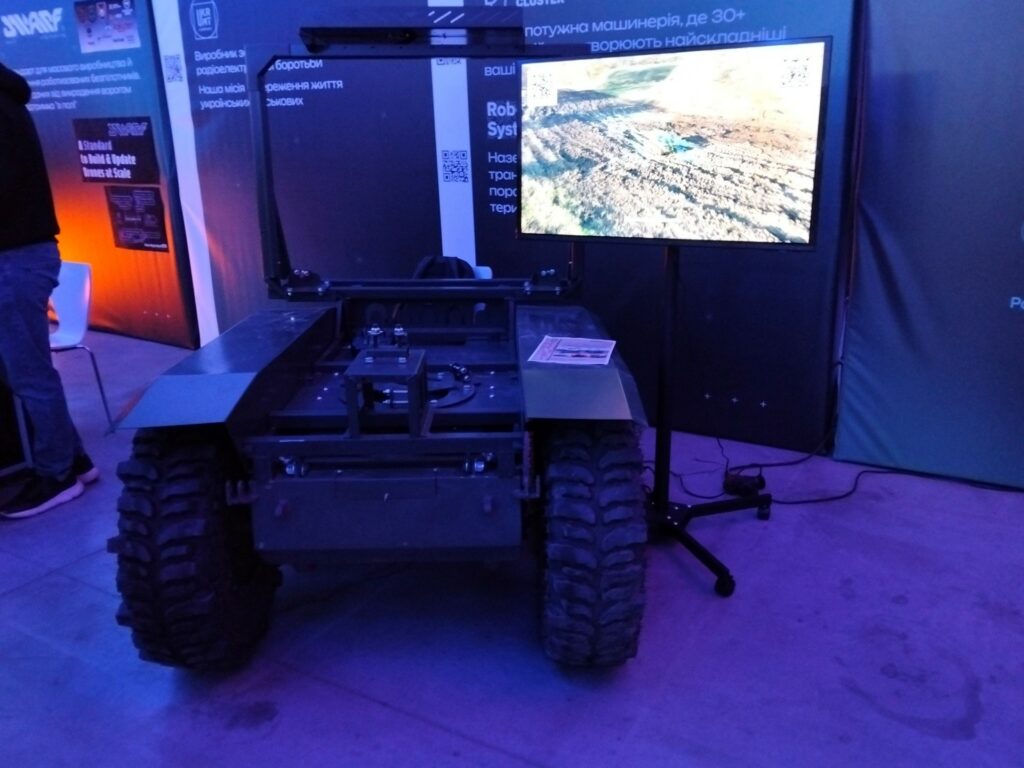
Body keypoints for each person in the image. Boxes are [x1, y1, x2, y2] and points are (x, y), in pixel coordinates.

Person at [0, 60, 97, 519]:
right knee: (27, 372)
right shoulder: (8, 101)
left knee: (29, 376)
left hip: (13, 258)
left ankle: (57, 476)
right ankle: (74, 460)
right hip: (20, 255)